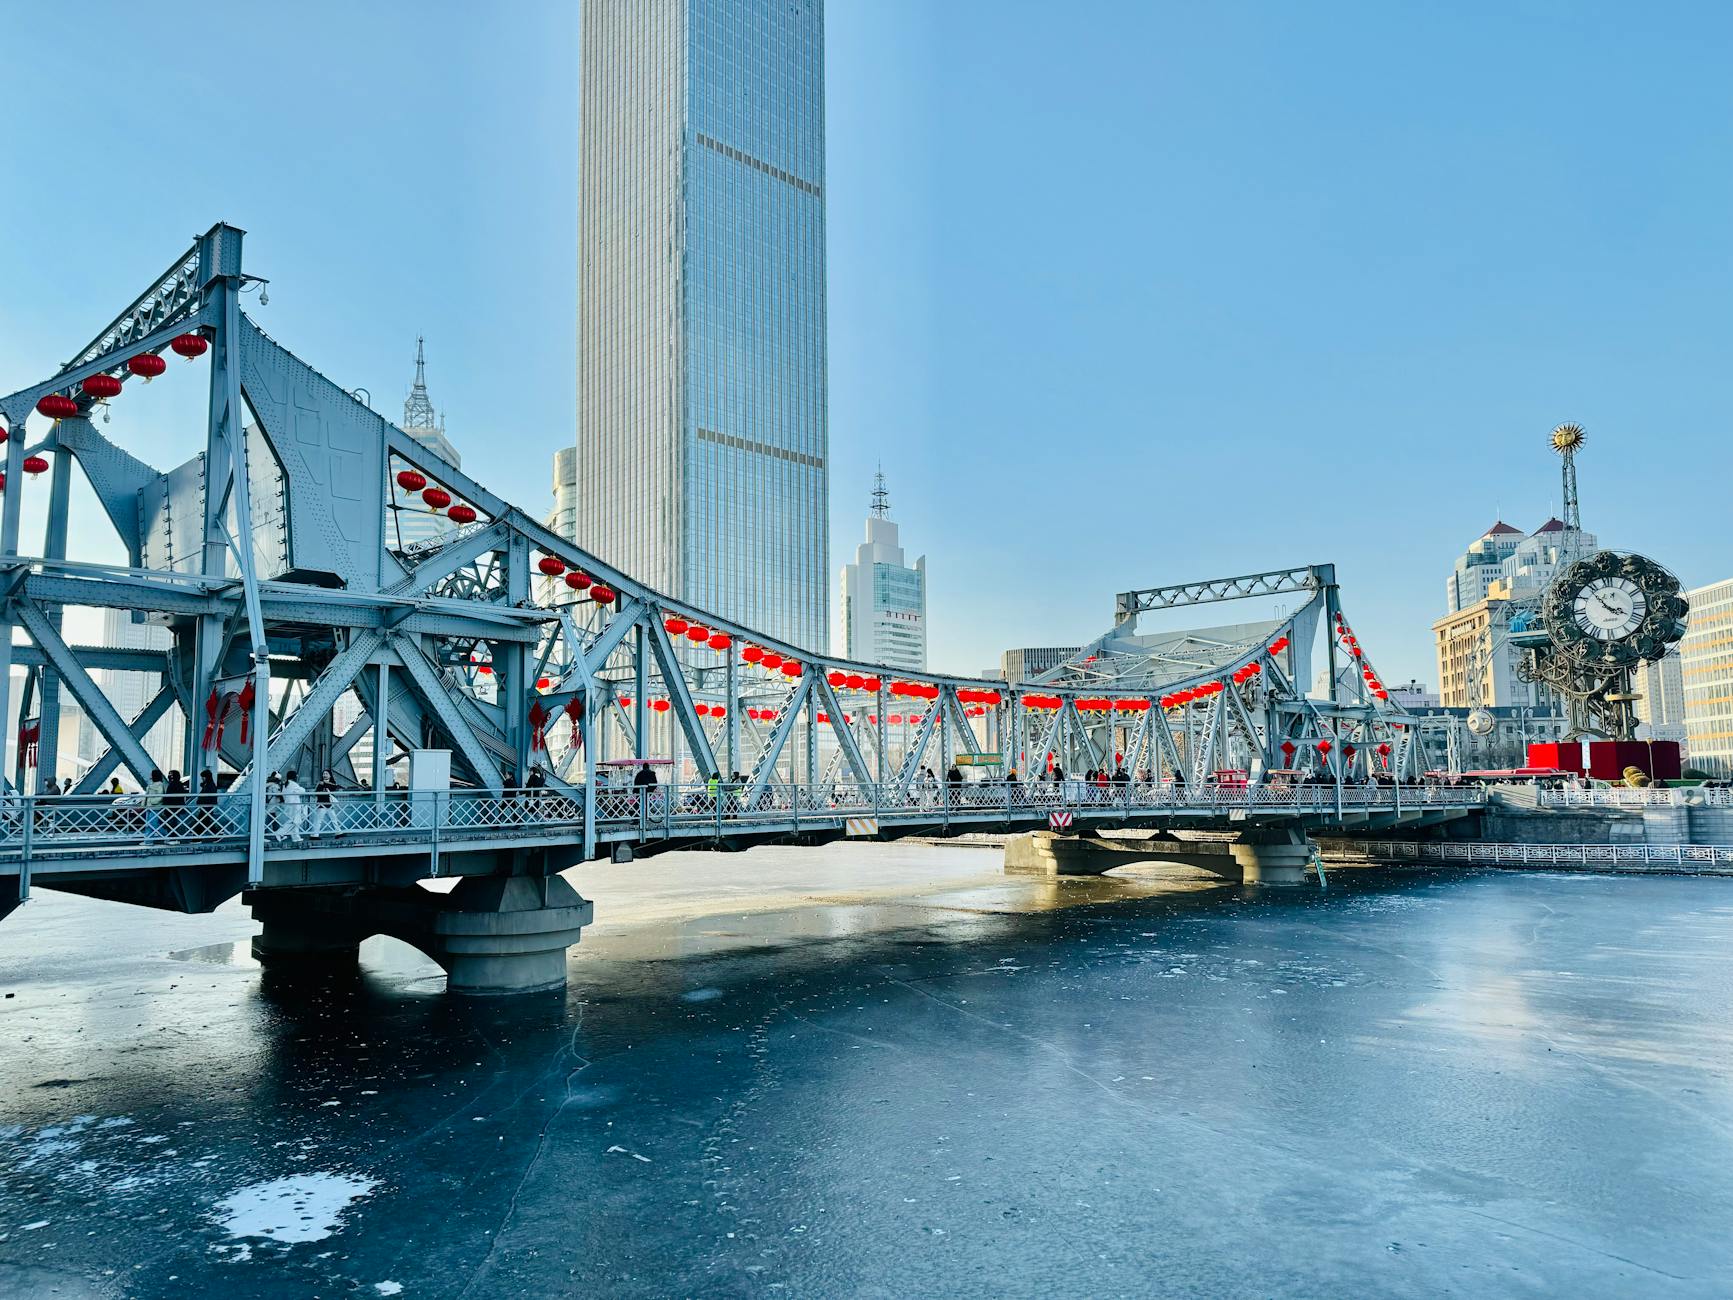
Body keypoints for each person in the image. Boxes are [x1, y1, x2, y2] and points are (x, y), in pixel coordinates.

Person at [280, 769, 307, 843]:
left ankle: (295, 837)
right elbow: (301, 791)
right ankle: (280, 833)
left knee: (294, 821)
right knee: (295, 821)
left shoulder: (286, 784)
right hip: (295, 805)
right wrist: (303, 788)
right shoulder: (293, 784)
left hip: (288, 804)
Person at [310, 769, 338, 838]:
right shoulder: (320, 783)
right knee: (319, 820)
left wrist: (324, 784)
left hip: (329, 803)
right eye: (324, 774)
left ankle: (338, 832)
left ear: (330, 775)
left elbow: (334, 787)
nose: (324, 775)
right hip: (322, 803)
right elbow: (316, 792)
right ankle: (315, 835)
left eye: (326, 774)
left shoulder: (332, 783)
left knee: (333, 818)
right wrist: (322, 785)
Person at [144, 768, 166, 839]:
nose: (150, 775)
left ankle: (166, 835)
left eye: (151, 774)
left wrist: (151, 802)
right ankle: (148, 840)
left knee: (152, 824)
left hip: (155, 807)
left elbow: (160, 796)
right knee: (149, 824)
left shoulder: (159, 785)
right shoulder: (152, 784)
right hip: (149, 807)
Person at [164, 769, 188, 838]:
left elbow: (169, 796)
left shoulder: (172, 784)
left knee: (172, 823)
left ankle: (172, 837)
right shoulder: (179, 784)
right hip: (177, 807)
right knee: (175, 822)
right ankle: (174, 837)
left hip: (172, 807)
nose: (169, 776)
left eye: (171, 774)